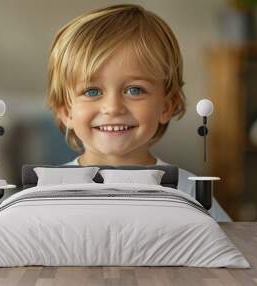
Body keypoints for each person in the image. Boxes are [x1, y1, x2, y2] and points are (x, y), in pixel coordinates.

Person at [46, 4, 231, 222]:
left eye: (135, 90)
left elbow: (228, 249)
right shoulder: (45, 191)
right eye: (92, 91)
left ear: (167, 106)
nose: (113, 107)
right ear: (66, 111)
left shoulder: (191, 192)